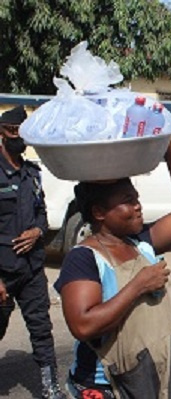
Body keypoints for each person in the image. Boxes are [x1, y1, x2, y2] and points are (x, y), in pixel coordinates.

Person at [54, 135, 171, 399]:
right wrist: (139, 285)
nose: (138, 206)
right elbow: (83, 325)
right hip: (106, 383)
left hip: (153, 374)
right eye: (128, 200)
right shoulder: (84, 258)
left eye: (136, 198)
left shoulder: (140, 243)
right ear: (99, 213)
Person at [0, 106, 66, 399]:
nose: (17, 138)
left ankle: (51, 389)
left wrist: (38, 232)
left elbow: (42, 214)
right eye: (12, 132)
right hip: (2, 271)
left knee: (42, 331)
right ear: (1, 133)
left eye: (21, 133)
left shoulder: (33, 173)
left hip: (31, 269)